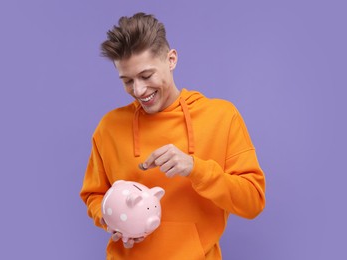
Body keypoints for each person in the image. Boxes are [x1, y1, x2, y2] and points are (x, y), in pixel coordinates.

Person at [80, 12, 266, 260]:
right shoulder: (109, 127)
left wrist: (195, 168)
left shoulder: (222, 117)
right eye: (127, 81)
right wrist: (109, 217)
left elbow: (252, 201)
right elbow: (94, 195)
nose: (138, 90)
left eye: (146, 76)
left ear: (171, 59)